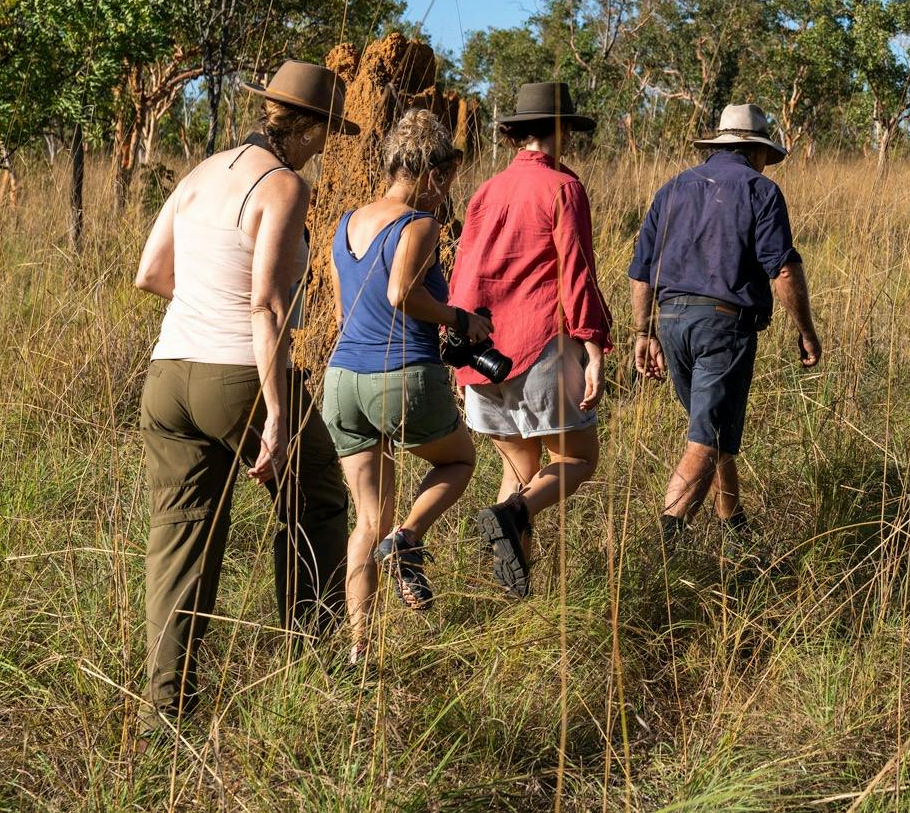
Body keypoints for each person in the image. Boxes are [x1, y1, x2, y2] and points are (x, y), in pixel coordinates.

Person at [133, 60, 357, 716]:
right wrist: (280, 415)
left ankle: (167, 708)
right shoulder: (283, 185)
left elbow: (150, 273)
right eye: (326, 132)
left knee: (180, 538)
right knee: (317, 499)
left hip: (168, 373)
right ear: (310, 127)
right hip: (241, 377)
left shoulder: (200, 174)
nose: (326, 146)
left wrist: (207, 298)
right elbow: (263, 306)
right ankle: (311, 669)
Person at [322, 110, 481, 661]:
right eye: (448, 179)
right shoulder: (419, 223)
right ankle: (409, 540)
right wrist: (460, 320)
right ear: (433, 172)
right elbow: (400, 295)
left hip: (341, 380)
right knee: (459, 461)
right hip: (400, 375)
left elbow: (350, 308)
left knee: (367, 518)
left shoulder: (345, 223)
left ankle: (360, 651)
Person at [448, 82, 613, 597]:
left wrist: (461, 358)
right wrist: (593, 346)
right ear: (559, 130)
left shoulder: (486, 190)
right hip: (539, 343)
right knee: (579, 460)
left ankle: (511, 594)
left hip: (483, 355)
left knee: (521, 468)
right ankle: (514, 513)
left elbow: (464, 273)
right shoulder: (563, 188)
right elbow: (577, 274)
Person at [630, 103, 822, 544]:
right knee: (706, 439)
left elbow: (641, 272)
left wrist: (644, 333)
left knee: (712, 430)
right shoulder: (761, 190)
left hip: (672, 323)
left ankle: (735, 528)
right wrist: (806, 330)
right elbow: (784, 270)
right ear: (756, 151)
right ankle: (665, 544)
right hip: (722, 326)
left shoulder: (672, 188)